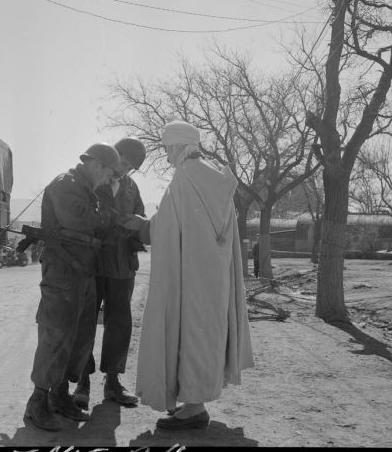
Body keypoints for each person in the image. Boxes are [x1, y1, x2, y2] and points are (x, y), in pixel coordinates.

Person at [120, 120, 254, 430]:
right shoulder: (212, 176)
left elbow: (167, 225)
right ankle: (194, 402)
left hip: (192, 277)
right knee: (204, 333)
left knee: (191, 334)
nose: (167, 156)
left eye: (168, 149)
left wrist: (141, 225)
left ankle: (195, 408)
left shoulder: (186, 177)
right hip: (212, 278)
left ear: (181, 146)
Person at [23, 143, 121, 432]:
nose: (108, 181)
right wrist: (109, 216)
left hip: (82, 272)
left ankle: (60, 396)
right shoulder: (66, 184)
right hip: (63, 273)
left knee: (80, 337)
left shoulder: (84, 186)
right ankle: (37, 403)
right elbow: (78, 220)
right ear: (96, 165)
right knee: (56, 335)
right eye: (108, 174)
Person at [73, 138, 147, 410]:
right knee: (86, 322)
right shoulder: (94, 179)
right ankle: (82, 383)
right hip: (92, 264)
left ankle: (113, 382)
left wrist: (135, 227)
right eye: (123, 162)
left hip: (122, 265)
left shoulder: (131, 188)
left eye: (130, 167)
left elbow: (140, 216)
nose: (123, 169)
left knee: (119, 323)